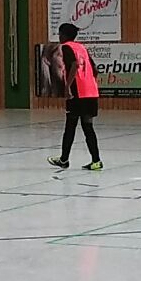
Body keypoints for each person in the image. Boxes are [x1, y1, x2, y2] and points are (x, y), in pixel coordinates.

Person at [48, 24, 103, 171]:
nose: (59, 37)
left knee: (70, 127)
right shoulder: (82, 48)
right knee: (88, 127)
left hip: (77, 93)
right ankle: (96, 161)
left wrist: (67, 86)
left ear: (64, 35)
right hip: (91, 92)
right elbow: (95, 69)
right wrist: (89, 82)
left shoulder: (66, 47)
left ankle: (64, 160)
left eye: (60, 34)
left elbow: (74, 64)